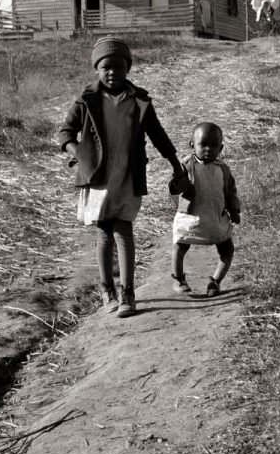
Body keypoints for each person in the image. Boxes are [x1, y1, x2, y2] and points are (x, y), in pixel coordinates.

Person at [56, 37, 184, 318]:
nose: (112, 72)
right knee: (104, 233)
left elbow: (158, 135)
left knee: (124, 231)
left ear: (128, 68)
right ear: (97, 70)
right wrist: (79, 152)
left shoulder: (139, 101)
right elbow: (65, 132)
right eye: (105, 67)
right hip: (98, 178)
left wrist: (176, 163)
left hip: (127, 175)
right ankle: (107, 292)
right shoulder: (87, 99)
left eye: (118, 66)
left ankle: (128, 293)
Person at [169, 121, 241, 297]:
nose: (208, 149)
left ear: (221, 148)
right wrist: (178, 182)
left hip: (215, 218)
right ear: (192, 144)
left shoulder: (223, 169)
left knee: (227, 250)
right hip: (191, 219)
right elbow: (173, 188)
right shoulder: (186, 165)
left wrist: (234, 210)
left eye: (214, 145)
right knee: (180, 246)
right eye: (203, 144)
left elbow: (230, 191)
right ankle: (178, 279)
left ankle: (215, 281)